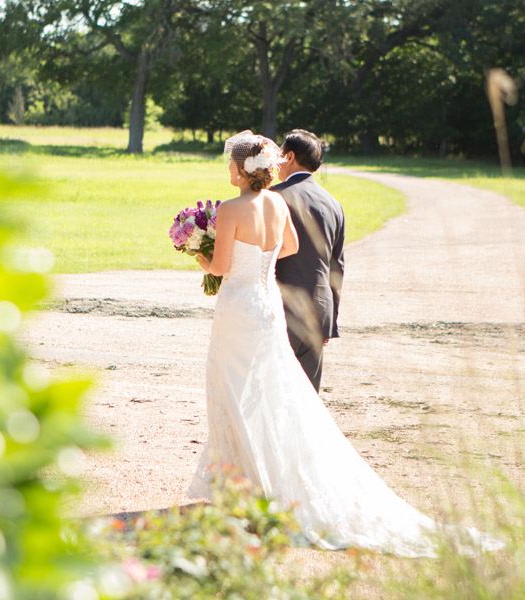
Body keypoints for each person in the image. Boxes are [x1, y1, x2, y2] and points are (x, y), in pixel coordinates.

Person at [187, 130, 491, 557]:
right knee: (280, 392)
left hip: (239, 308)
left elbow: (218, 265)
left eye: (230, 165)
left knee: (236, 389)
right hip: (270, 305)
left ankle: (245, 485)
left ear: (239, 170)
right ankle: (270, 480)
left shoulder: (232, 209)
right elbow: (289, 246)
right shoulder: (276, 202)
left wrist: (196, 254)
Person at [272, 129, 344, 393]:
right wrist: (330, 320)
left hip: (282, 306)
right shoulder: (334, 204)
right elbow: (338, 266)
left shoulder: (273, 197)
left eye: (280, 155)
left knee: (276, 389)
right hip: (321, 307)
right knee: (307, 396)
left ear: (289, 157)